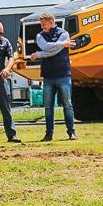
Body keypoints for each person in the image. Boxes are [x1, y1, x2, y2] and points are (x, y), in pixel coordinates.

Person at [30, 13, 77, 141]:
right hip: (48, 75)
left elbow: (52, 51)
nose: (42, 27)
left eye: (44, 24)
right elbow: (46, 47)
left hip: (63, 74)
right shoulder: (40, 36)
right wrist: (62, 44)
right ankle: (48, 134)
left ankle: (71, 132)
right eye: (41, 25)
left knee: (67, 104)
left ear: (51, 22)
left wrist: (39, 54)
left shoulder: (64, 34)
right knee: (48, 107)